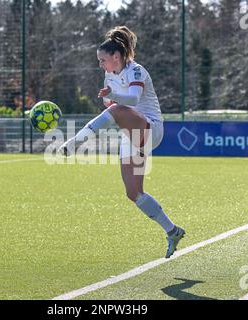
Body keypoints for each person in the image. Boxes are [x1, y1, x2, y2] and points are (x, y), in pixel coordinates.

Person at [59, 26, 185, 258]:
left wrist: (113, 100)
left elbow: (132, 99)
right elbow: (112, 105)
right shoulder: (110, 75)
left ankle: (76, 141)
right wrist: (110, 101)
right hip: (132, 136)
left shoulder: (136, 71)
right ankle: (172, 230)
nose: (101, 65)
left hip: (150, 128)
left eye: (103, 60)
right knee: (134, 193)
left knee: (117, 108)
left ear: (116, 57)